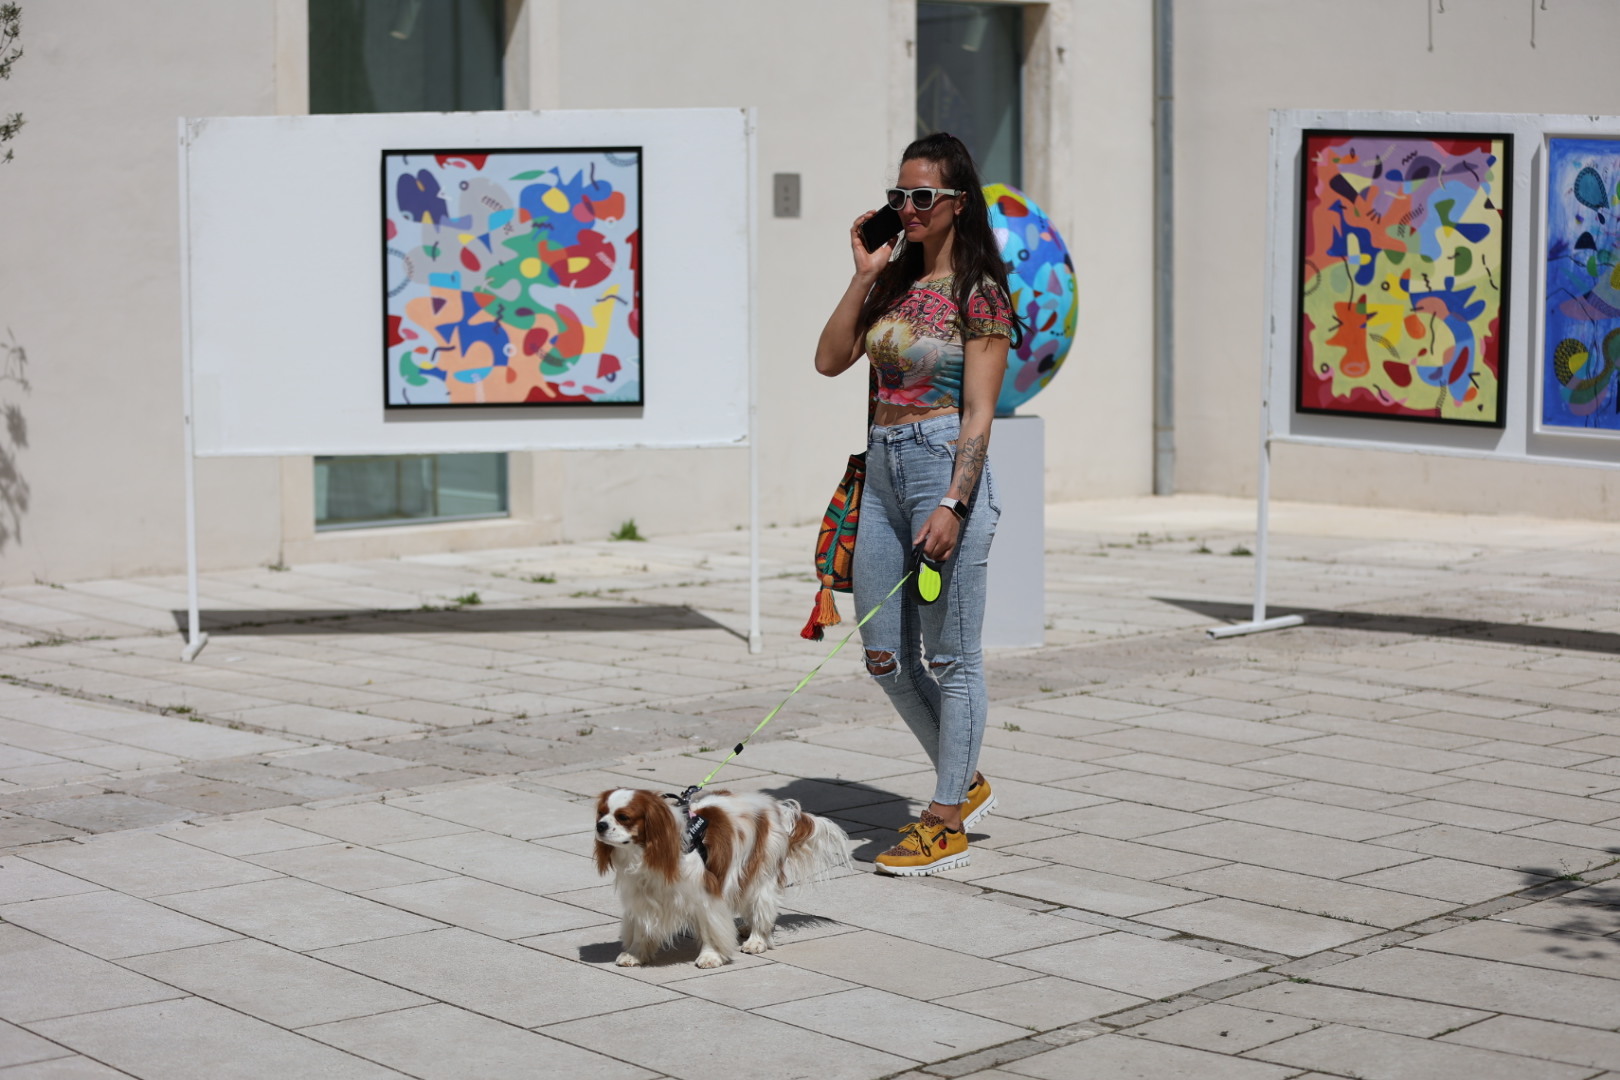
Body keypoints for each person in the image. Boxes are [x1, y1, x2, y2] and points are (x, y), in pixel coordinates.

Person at [813, 132, 1021, 876]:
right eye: (900, 195)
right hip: (885, 472)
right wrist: (864, 274)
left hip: (942, 468)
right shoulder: (894, 284)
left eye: (923, 196)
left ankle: (944, 819)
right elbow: (829, 359)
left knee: (953, 656)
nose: (908, 208)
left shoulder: (980, 292)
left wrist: (956, 503)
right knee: (884, 655)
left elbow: (979, 415)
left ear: (958, 203)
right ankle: (962, 778)